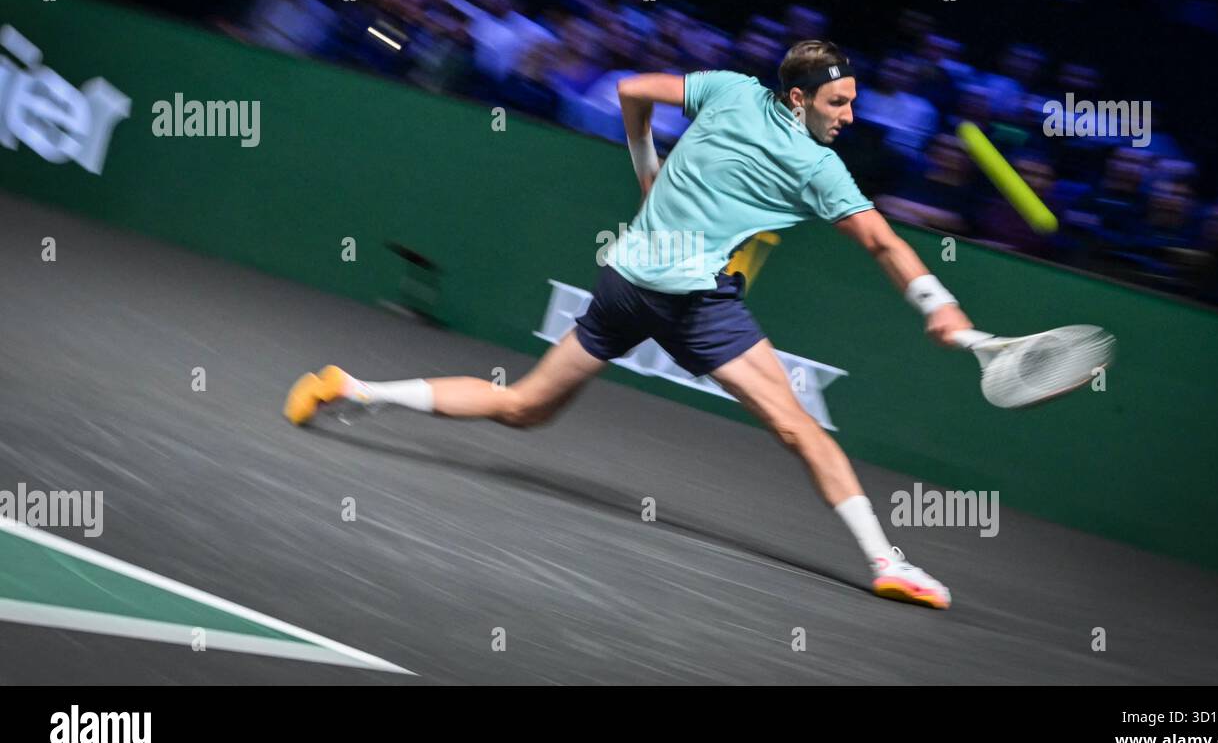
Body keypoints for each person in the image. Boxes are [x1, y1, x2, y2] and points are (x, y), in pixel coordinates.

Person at [284, 41, 978, 609]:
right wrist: (935, 302)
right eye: (838, 102)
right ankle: (889, 563)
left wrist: (647, 166)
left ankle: (355, 388)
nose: (850, 116)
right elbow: (885, 243)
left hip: (625, 281)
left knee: (524, 406)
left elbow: (631, 90)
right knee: (800, 428)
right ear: (798, 98)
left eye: (854, 101)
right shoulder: (819, 167)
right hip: (692, 304)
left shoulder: (730, 88)